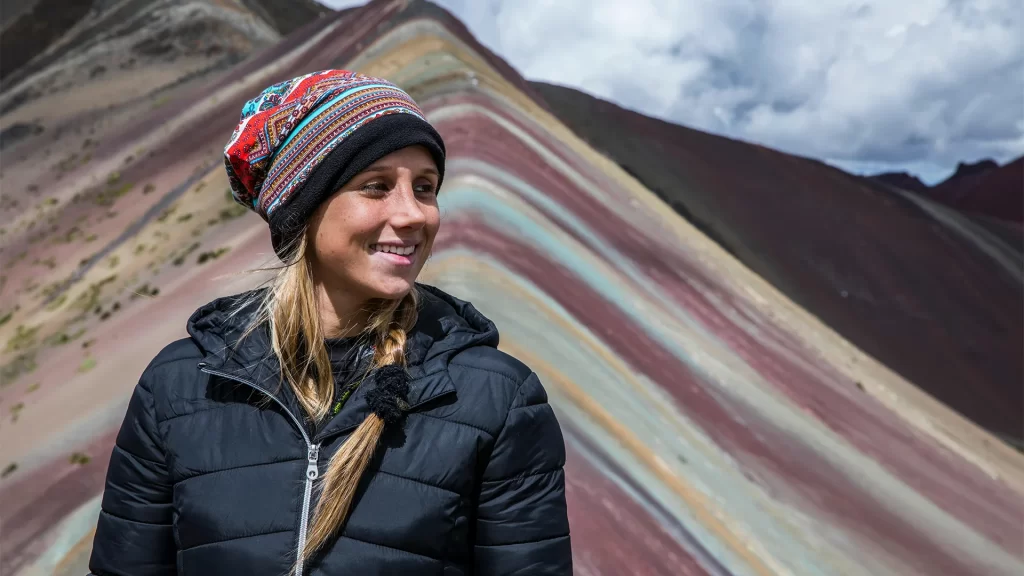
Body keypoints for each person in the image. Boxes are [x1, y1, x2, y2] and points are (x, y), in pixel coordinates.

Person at [87, 70, 572, 575]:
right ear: (304, 209)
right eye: (376, 186)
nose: (412, 214)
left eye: (425, 188)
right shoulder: (180, 389)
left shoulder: (495, 400)